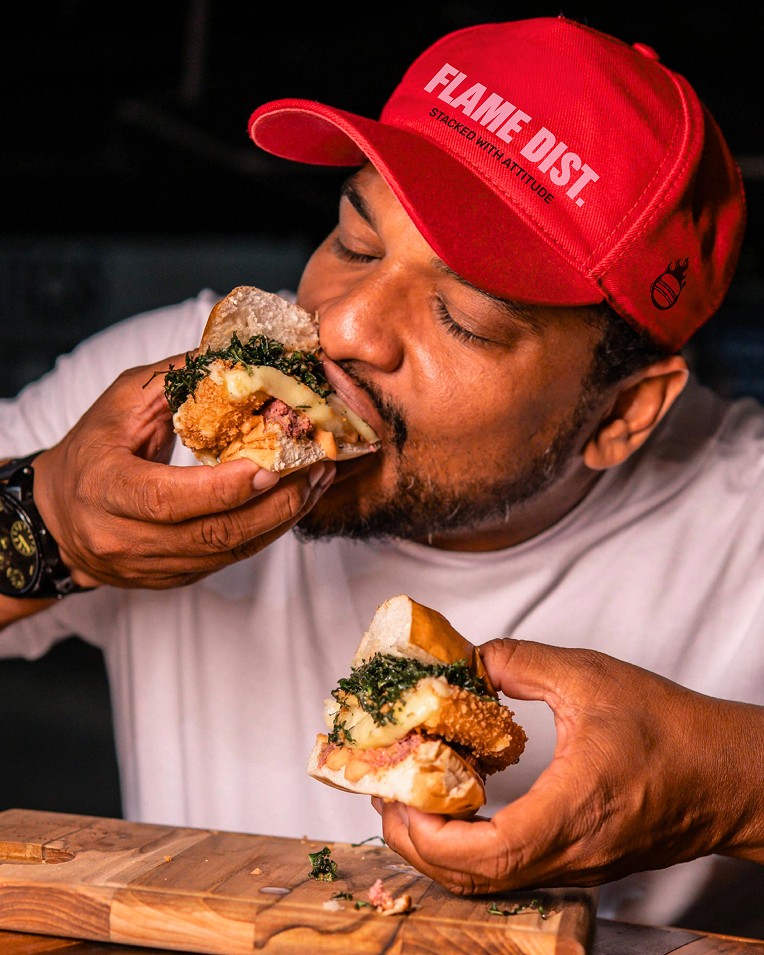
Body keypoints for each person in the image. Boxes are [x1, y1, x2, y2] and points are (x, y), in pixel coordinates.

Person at [1, 15, 762, 938]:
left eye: (466, 317)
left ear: (624, 412)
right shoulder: (158, 395)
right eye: (356, 245)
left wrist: (734, 790)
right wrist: (47, 523)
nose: (346, 328)